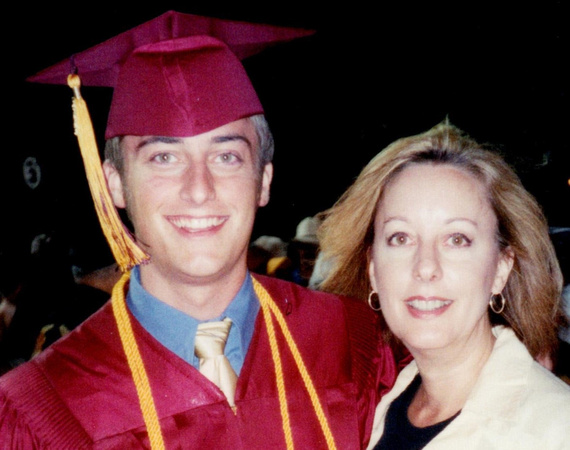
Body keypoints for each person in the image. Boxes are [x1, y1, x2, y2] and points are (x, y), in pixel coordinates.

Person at [0, 11, 398, 448]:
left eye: (226, 156)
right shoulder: (43, 408)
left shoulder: (352, 344)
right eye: (163, 159)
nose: (198, 190)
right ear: (114, 184)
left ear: (263, 180)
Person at [318, 121, 570, 449]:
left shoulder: (553, 428)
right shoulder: (378, 406)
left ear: (501, 268)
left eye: (456, 239)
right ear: (373, 269)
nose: (425, 267)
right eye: (401, 238)